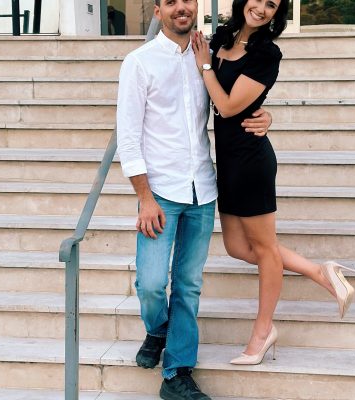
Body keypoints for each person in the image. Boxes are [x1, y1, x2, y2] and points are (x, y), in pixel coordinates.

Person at [116, 0, 272, 397]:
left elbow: (236, 99)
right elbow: (128, 138)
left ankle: (177, 373)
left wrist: (266, 116)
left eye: (186, 0)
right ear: (157, 12)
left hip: (202, 189)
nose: (180, 7)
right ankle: (159, 330)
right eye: (170, 2)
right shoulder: (139, 63)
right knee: (151, 283)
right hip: (160, 193)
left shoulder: (209, 55)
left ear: (196, 6)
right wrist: (144, 198)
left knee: (188, 285)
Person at [192, 0, 355, 365]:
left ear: (277, 13)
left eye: (272, 4)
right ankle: (319, 271)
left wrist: (205, 67)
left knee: (266, 250)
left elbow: (228, 107)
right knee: (237, 247)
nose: (262, 8)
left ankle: (263, 331)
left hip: (251, 162)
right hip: (228, 162)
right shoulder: (221, 39)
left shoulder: (266, 54)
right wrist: (208, 63)